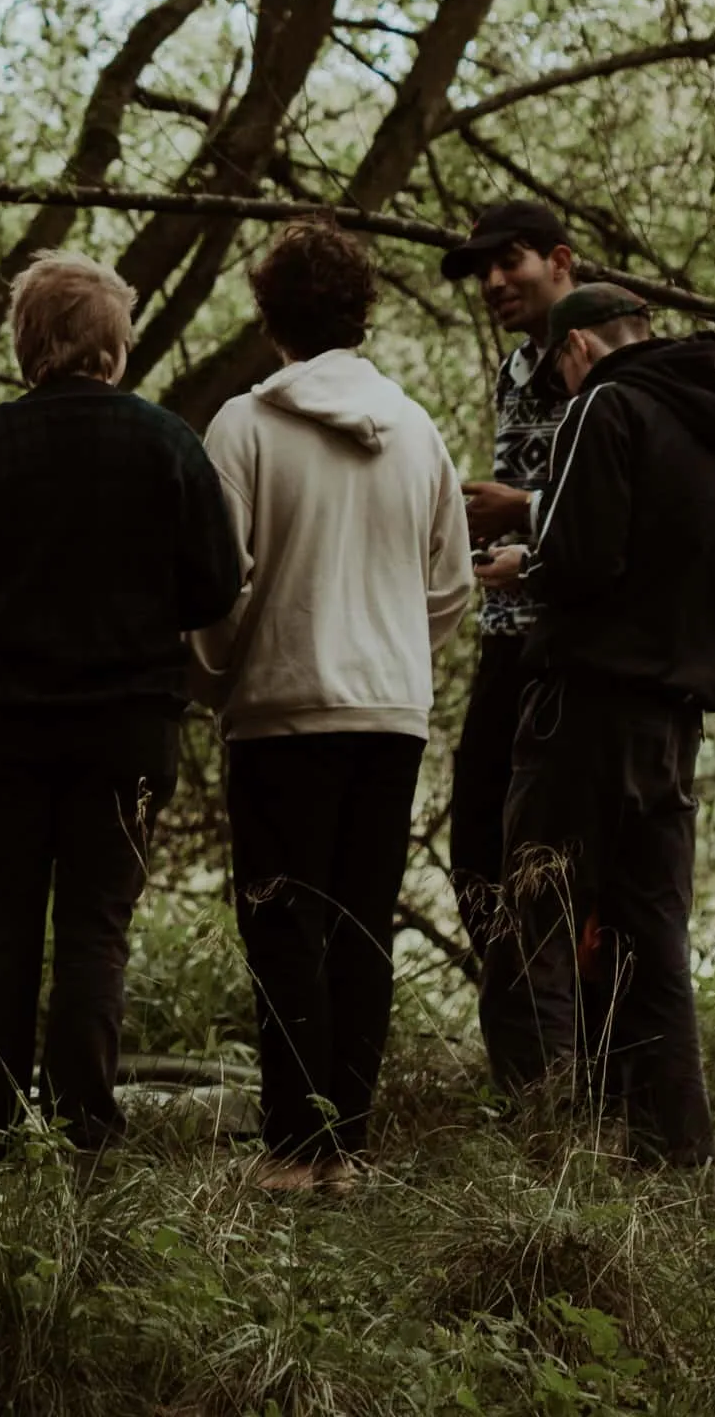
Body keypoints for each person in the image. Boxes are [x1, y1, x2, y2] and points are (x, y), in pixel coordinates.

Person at [0, 252, 244, 1155]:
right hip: (126, 728)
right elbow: (216, 589)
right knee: (97, 924)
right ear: (116, 349)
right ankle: (85, 1126)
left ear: (27, 346)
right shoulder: (169, 443)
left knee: (0, 918)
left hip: (5, 726)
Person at [192, 220, 475, 1190]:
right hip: (389, 712)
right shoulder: (421, 429)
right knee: (360, 927)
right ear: (363, 312)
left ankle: (290, 1147)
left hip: (281, 712)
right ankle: (346, 1146)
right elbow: (451, 587)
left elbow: (218, 583)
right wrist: (393, 652)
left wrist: (222, 670)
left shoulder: (241, 426)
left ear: (269, 316)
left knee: (283, 925)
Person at [501, 283, 715, 1167]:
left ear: (577, 346)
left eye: (557, 364)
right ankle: (676, 1157)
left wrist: (523, 564)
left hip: (585, 711)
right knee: (654, 942)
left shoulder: (604, 405)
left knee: (537, 921)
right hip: (677, 726)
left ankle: (540, 1152)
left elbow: (582, 556)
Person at [436, 198, 583, 1089]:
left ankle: (562, 1077)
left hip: (570, 651)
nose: (494, 281)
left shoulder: (597, 357)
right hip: (505, 641)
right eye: (482, 269)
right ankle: (527, 1074)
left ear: (559, 259)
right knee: (477, 858)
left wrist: (521, 510)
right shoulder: (516, 365)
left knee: (551, 865)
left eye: (511, 261)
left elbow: (623, 499)